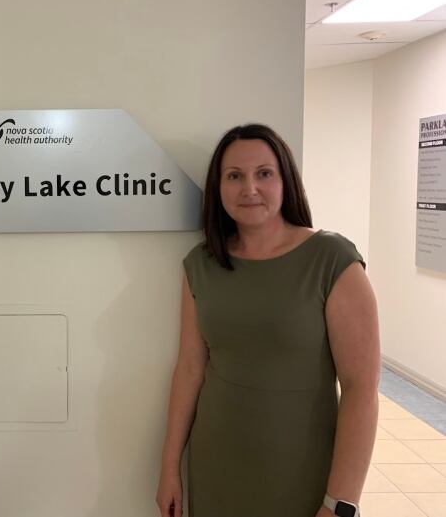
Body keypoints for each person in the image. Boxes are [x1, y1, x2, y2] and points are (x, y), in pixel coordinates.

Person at [156, 124, 380, 517]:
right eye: (234, 176)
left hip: (303, 472)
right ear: (218, 187)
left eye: (264, 173)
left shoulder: (331, 259)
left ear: (285, 180)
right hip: (216, 466)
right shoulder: (201, 264)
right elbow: (190, 368)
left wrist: (340, 502)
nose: (249, 189)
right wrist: (169, 467)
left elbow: (362, 389)